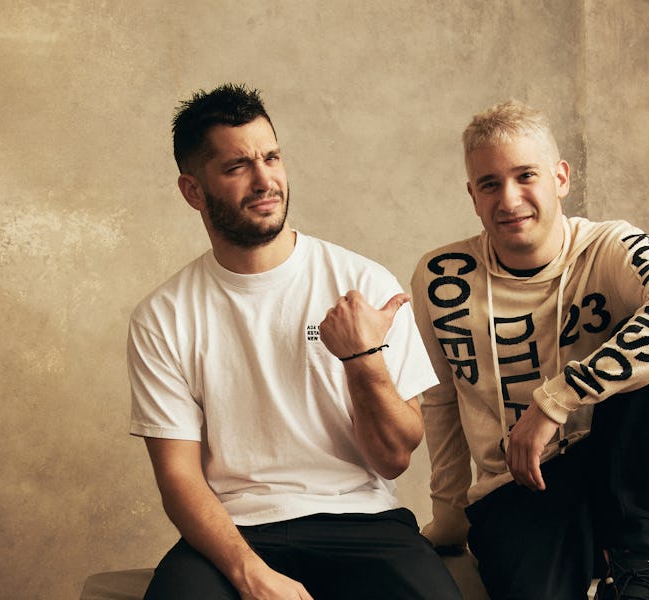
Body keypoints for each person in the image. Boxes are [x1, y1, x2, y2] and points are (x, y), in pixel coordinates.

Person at [127, 83, 463, 600]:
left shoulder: (363, 284)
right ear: (193, 191)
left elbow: (394, 459)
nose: (265, 180)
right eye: (238, 166)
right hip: (234, 528)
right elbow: (179, 478)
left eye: (272, 157)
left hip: (363, 519)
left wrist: (362, 358)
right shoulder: (163, 316)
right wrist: (249, 573)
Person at [410, 100, 649, 600]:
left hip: (621, 477)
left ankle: (636, 568)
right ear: (473, 195)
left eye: (525, 176)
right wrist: (448, 518)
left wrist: (555, 400)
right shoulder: (442, 277)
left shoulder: (611, 246)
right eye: (489, 184)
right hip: (515, 493)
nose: (509, 200)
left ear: (561, 178)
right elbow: (443, 397)